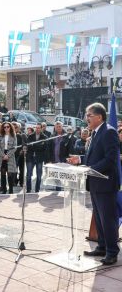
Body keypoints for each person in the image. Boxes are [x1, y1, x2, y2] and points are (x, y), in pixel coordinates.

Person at [68, 103, 120, 265]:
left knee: (108, 219)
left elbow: (110, 159)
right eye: (86, 115)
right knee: (99, 218)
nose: (86, 118)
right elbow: (96, 157)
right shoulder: (96, 133)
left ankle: (112, 252)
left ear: (99, 116)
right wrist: (80, 160)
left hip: (106, 184)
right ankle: (102, 246)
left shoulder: (109, 132)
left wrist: (89, 168)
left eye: (89, 115)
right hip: (95, 183)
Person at [0, 122, 17, 194]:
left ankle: (11, 190)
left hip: (10, 155)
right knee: (3, 174)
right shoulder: (0, 135)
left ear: (10, 127)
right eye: (4, 127)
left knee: (10, 174)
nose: (6, 128)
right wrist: (3, 155)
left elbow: (15, 147)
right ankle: (4, 189)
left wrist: (8, 155)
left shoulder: (13, 136)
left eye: (8, 127)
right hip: (2, 155)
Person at [26, 123, 47, 193]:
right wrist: (38, 145)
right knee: (28, 174)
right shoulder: (30, 136)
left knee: (39, 175)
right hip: (30, 157)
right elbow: (29, 146)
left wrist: (34, 145)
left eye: (39, 128)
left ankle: (37, 190)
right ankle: (28, 189)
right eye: (36, 128)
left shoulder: (44, 137)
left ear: (41, 129)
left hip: (39, 158)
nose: (37, 129)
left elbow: (44, 148)